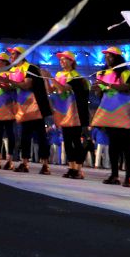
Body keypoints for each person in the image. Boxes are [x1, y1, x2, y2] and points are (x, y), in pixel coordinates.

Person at [92, 47, 130, 187]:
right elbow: (100, 94)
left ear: (118, 58)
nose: (107, 58)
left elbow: (128, 88)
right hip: (109, 113)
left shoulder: (127, 73)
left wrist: (107, 85)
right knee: (113, 146)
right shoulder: (102, 73)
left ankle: (129, 176)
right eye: (106, 56)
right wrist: (97, 90)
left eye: (110, 56)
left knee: (127, 147)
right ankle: (114, 175)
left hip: (124, 113)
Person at [48, 51, 90, 179]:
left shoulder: (75, 76)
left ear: (71, 61)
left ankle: (78, 169)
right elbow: (51, 90)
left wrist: (50, 78)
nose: (61, 61)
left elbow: (64, 88)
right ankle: (71, 168)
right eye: (60, 59)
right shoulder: (59, 74)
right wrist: (46, 81)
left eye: (64, 59)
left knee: (75, 141)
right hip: (63, 112)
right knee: (67, 141)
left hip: (75, 113)